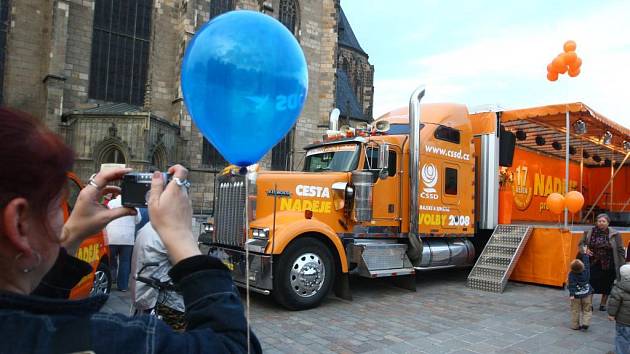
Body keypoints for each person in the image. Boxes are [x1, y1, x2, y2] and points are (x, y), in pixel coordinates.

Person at [0, 108, 260, 353]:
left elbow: (33, 313)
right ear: (19, 225)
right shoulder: (105, 341)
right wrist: (181, 236)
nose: (64, 219)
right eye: (58, 205)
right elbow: (236, 346)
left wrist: (72, 234)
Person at [131, 222, 185, 330]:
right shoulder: (170, 233)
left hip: (144, 292)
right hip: (166, 299)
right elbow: (185, 265)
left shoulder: (146, 228)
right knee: (176, 339)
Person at [579, 213, 625, 311]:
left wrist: (622, 264)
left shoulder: (615, 234)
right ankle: (589, 304)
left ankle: (603, 304)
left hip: (609, 264)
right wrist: (584, 250)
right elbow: (581, 244)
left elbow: (620, 250)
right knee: (591, 283)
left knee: (607, 284)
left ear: (608, 223)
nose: (601, 223)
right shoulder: (589, 232)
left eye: (603, 221)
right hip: (593, 263)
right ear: (596, 222)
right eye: (599, 221)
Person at [105, 194, 140, 291]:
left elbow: (106, 217)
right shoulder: (134, 204)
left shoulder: (111, 203)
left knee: (110, 260)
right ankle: (123, 286)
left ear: (117, 195)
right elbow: (138, 220)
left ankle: (111, 280)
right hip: (127, 239)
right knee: (125, 262)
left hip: (112, 237)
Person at [607, 264, 630, 354]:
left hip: (623, 321)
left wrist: (611, 315)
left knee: (622, 339)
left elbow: (614, 303)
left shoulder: (618, 288)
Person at [567, 249, 592, 330]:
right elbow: (587, 264)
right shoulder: (586, 271)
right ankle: (586, 323)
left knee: (575, 310)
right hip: (586, 294)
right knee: (587, 309)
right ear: (583, 266)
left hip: (576, 296)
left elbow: (572, 285)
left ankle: (575, 325)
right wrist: (585, 254)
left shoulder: (572, 274)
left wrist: (571, 294)